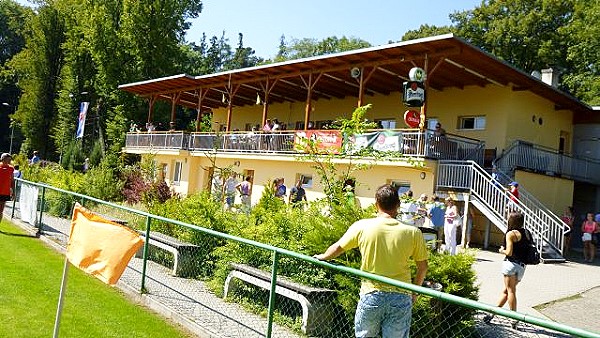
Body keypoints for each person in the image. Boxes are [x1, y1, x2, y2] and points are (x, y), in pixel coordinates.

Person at [314, 184, 428, 338]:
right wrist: (415, 293)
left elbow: (338, 248)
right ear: (398, 205)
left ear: (376, 204)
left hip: (371, 293)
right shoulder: (413, 232)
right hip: (401, 296)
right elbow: (423, 267)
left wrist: (322, 256)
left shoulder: (362, 226)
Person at [484, 212, 528, 329]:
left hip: (510, 265)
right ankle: (491, 314)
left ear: (511, 221)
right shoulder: (526, 233)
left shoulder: (511, 234)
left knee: (511, 291)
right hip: (522, 267)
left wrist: (501, 251)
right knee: (507, 291)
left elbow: (509, 252)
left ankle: (514, 319)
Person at [0, 153, 15, 223]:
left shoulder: (11, 168)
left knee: (1, 210)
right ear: (2, 159)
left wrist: (14, 192)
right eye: (7, 159)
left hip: (5, 192)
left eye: (10, 160)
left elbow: (12, 181)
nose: (9, 161)